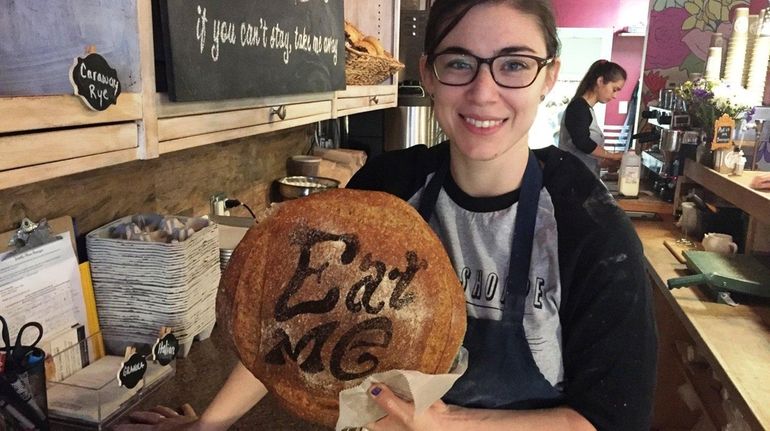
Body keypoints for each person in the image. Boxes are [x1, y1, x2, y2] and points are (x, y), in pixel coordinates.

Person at [118, 1, 657, 430]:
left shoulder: (589, 227)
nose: (483, 90)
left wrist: (447, 426)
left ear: (547, 76)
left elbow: (611, 418)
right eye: (458, 62)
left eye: (514, 64)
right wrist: (209, 425)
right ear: (428, 73)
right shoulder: (385, 193)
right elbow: (294, 325)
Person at [559, 59, 627, 178]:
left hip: (581, 178)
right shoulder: (578, 107)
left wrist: (606, 163)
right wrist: (612, 155)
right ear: (600, 81)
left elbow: (584, 154)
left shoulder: (587, 109)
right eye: (614, 89)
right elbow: (582, 142)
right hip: (571, 180)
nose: (615, 96)